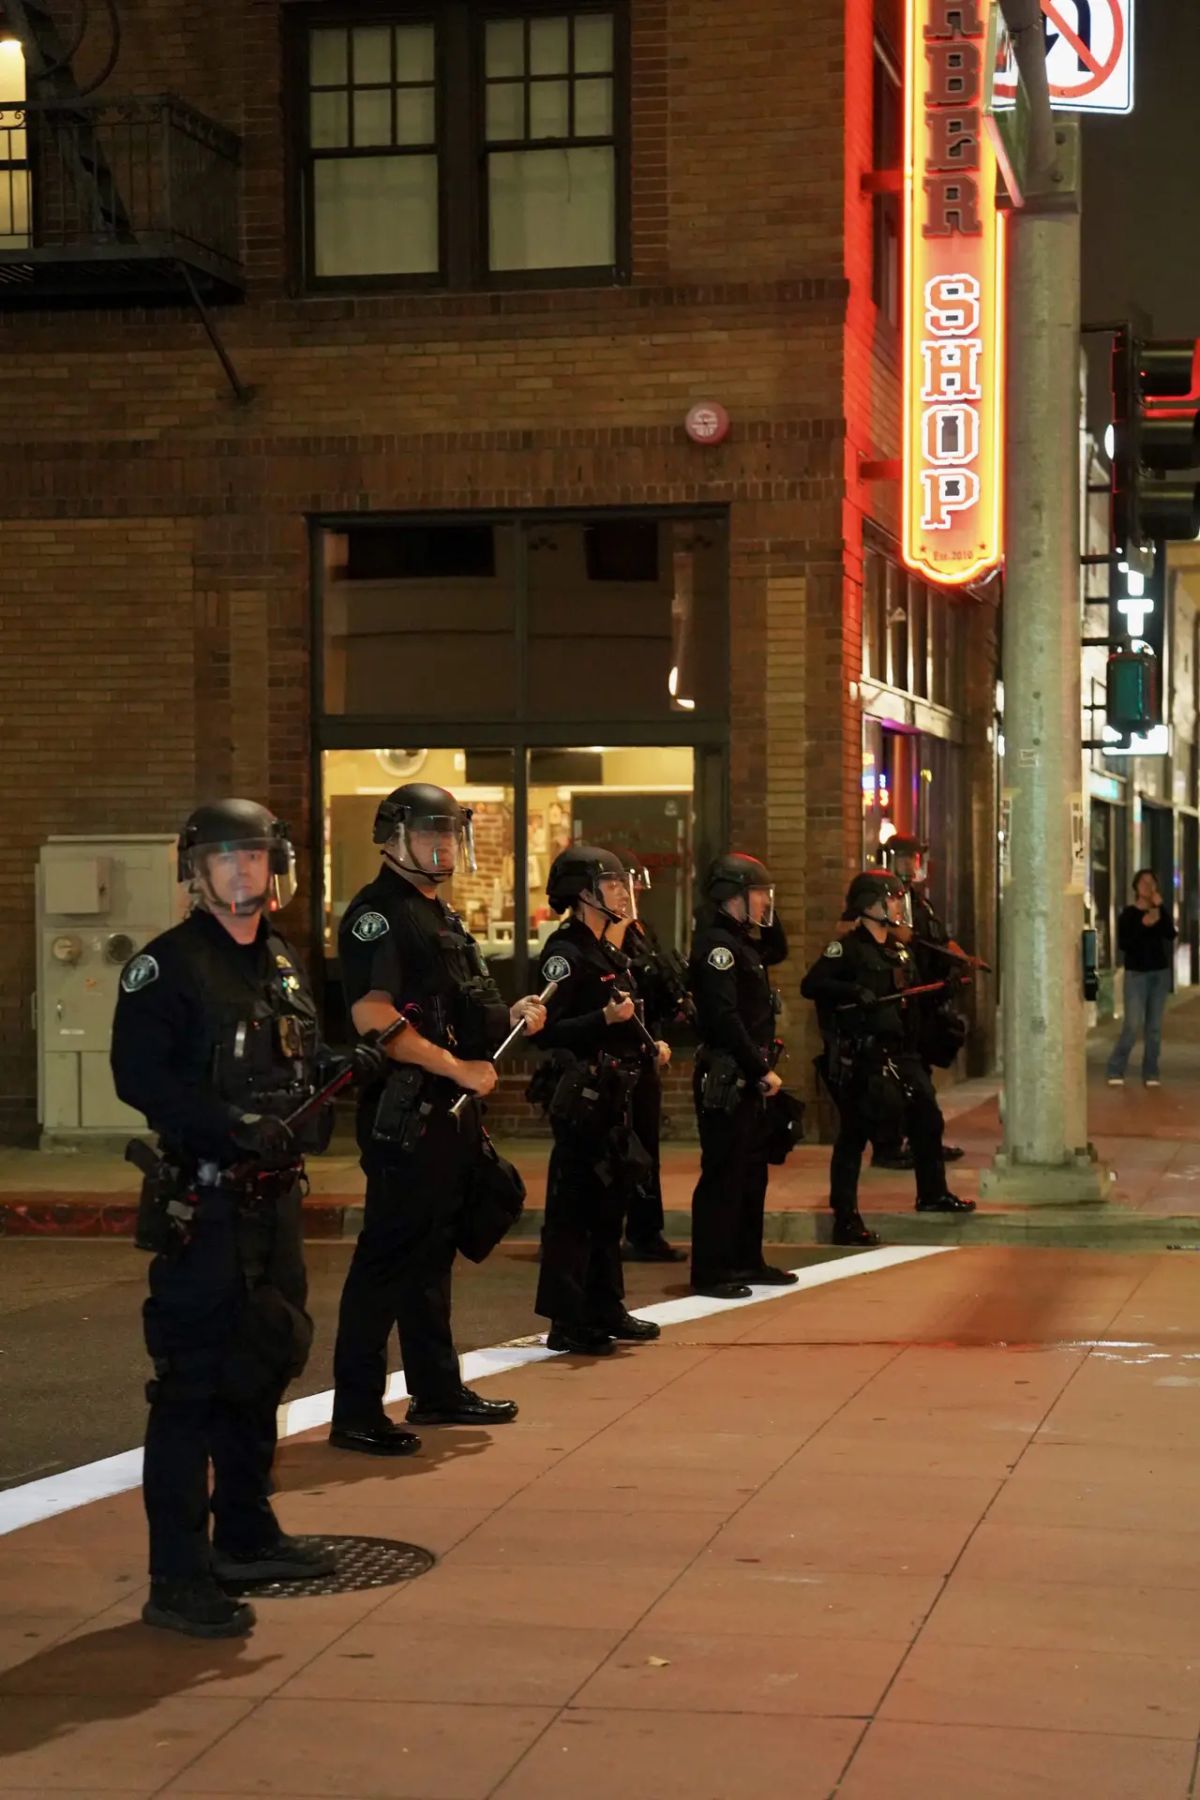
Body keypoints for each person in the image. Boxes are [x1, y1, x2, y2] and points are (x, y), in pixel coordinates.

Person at [111, 799, 367, 1639]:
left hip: (274, 1202)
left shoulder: (281, 959)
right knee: (191, 1386)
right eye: (223, 857)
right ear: (194, 872)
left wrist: (339, 1066)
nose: (241, 869)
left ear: (275, 866)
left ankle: (247, 1534)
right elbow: (141, 1079)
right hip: (208, 1202)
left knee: (264, 1362)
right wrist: (227, 1125)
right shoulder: (166, 967)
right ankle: (178, 1576)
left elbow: (293, 1054)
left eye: (254, 855)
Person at [329, 782, 547, 1452]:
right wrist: (454, 1068)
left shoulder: (438, 914)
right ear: (392, 837)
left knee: (431, 1258)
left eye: (451, 832)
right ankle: (356, 1412)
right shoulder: (378, 915)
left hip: (447, 1114)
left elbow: (454, 1005)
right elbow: (374, 1016)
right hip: (408, 1112)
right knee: (385, 1262)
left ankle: (436, 1388)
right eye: (431, 831)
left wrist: (510, 1016)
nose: (444, 844)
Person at [532, 846, 665, 1355]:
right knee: (574, 1209)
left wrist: (647, 1044)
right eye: (611, 885)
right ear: (584, 893)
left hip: (614, 1094)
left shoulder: (606, 949)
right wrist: (603, 1021)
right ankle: (568, 1320)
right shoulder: (566, 952)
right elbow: (547, 1031)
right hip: (582, 1096)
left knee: (609, 1205)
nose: (622, 894)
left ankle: (606, 1306)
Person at [801, 869, 975, 1246]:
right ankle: (845, 1218)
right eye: (891, 899)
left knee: (928, 1118)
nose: (898, 906)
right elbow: (811, 985)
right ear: (870, 905)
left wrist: (945, 988)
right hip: (863, 1055)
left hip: (902, 1053)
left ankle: (932, 1194)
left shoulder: (899, 950)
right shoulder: (846, 949)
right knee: (855, 1135)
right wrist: (852, 990)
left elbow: (912, 995)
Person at [688, 853, 797, 1299]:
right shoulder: (717, 946)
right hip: (728, 1074)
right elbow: (724, 1018)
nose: (765, 902)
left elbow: (779, 948)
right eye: (758, 894)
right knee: (724, 1172)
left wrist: (766, 913)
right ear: (733, 895)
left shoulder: (744, 942)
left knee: (752, 1172)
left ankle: (746, 1259)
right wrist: (759, 1068)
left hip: (748, 1074)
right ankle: (712, 1270)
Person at [612, 874, 688, 1264]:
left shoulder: (642, 932)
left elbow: (651, 990)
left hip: (643, 1053)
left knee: (645, 1148)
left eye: (634, 888)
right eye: (623, 887)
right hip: (611, 1059)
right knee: (604, 1152)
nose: (632, 895)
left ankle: (645, 1232)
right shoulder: (594, 938)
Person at [1107, 868, 1177, 1087]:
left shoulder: (1159, 912)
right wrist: (1143, 925)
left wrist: (1160, 908)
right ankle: (1116, 1068)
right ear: (1136, 887)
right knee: (1132, 1024)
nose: (1148, 886)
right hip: (1136, 974)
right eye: (1143, 882)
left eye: (1151, 882)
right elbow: (1124, 944)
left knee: (1154, 1028)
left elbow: (1170, 934)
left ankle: (1151, 1072)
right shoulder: (1128, 915)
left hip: (1159, 974)